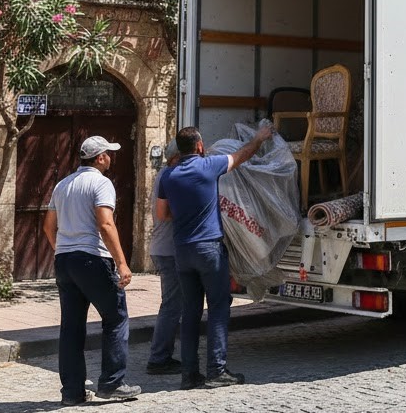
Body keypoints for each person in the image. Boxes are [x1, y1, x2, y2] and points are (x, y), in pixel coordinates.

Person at [157, 123, 273, 390]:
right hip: (208, 249)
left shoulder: (168, 176)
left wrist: (185, 214)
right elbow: (242, 155)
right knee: (219, 308)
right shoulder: (208, 166)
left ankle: (189, 375)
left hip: (182, 251)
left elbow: (162, 214)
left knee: (191, 312)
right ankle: (216, 371)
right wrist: (259, 138)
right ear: (199, 146)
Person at [44, 136, 141, 406]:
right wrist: (121, 262)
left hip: (65, 260)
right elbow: (106, 224)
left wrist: (63, 249)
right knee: (116, 317)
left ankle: (72, 392)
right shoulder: (101, 183)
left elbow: (49, 226)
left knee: (71, 327)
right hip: (92, 258)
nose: (110, 157)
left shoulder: (62, 185)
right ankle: (112, 383)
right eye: (108, 153)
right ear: (100, 158)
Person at [146, 139, 182, 375]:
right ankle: (159, 358)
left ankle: (163, 355)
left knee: (174, 304)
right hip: (169, 250)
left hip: (165, 248)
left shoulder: (165, 174)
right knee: (171, 305)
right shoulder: (169, 176)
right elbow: (166, 214)